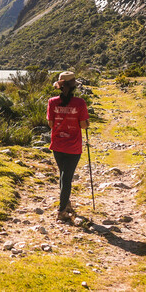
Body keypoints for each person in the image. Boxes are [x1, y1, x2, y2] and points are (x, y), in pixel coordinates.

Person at [46, 71, 89, 222]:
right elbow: (83, 125)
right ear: (73, 86)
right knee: (66, 177)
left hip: (57, 144)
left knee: (63, 175)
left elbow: (51, 124)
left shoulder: (52, 102)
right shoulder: (80, 103)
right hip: (73, 146)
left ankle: (66, 204)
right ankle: (62, 210)